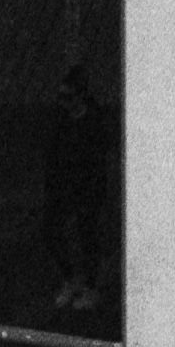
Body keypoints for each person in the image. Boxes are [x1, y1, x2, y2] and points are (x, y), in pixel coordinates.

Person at [43, 66, 111, 311]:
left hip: (88, 187)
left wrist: (93, 191)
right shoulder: (61, 120)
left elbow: (99, 159)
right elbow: (53, 155)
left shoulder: (93, 120)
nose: (63, 102)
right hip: (64, 186)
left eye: (68, 97)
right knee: (50, 231)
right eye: (61, 97)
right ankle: (72, 280)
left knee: (87, 236)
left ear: (80, 96)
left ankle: (91, 288)